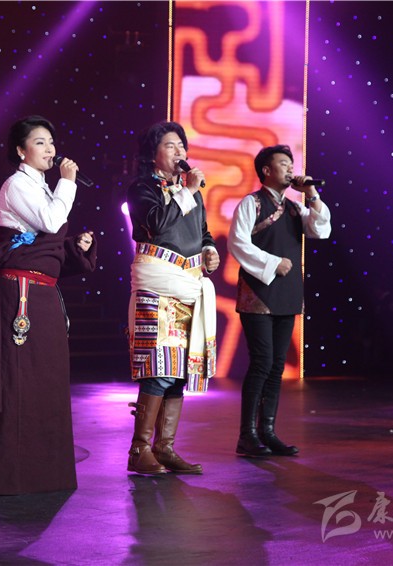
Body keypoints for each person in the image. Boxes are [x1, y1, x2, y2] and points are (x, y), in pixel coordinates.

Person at [0, 115, 97, 495]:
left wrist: (74, 247)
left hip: (43, 292)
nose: (50, 149)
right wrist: (68, 183)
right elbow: (51, 222)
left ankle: (41, 472)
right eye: (39, 142)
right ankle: (5, 474)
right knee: (18, 378)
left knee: (45, 380)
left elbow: (48, 241)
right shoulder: (16, 185)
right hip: (20, 294)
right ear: (21, 151)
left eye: (51, 142)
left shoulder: (44, 188)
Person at [125, 121, 219, 475]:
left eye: (182, 145)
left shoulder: (190, 191)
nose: (180, 152)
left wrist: (209, 250)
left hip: (188, 283)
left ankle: (164, 449)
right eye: (170, 145)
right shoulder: (141, 188)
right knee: (158, 366)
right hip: (158, 284)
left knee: (178, 371)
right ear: (153, 154)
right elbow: (156, 223)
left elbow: (203, 232)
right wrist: (187, 191)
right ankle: (139, 449)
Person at [228, 144, 331, 457]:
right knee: (261, 362)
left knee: (275, 366)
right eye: (283, 164)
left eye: (290, 164)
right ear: (266, 170)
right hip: (258, 293)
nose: (290, 169)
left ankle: (268, 432)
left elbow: (322, 229)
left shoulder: (295, 208)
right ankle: (247, 435)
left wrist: (311, 193)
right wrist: (273, 263)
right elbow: (237, 243)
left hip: (287, 294)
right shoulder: (252, 203)